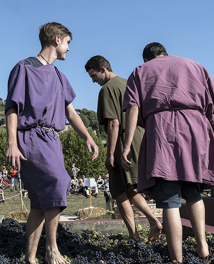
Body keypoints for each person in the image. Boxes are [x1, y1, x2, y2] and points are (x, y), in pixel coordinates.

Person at [121, 42, 214, 262]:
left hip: (161, 131)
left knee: (170, 200)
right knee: (193, 194)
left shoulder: (139, 71)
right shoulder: (195, 66)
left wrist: (127, 146)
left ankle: (177, 259)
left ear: (147, 59)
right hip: (195, 129)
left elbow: (133, 109)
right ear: (165, 52)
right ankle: (203, 247)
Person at [5, 22, 99, 264]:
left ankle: (30, 258)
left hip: (52, 139)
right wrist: (12, 143)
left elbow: (71, 112)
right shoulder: (24, 67)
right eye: (68, 42)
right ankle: (52, 249)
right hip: (31, 136)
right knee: (60, 182)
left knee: (39, 201)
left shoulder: (59, 75)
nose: (69, 48)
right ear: (57, 40)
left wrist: (87, 136)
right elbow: (12, 107)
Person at [85, 55, 163, 243]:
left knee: (117, 190)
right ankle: (153, 221)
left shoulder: (107, 89)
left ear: (103, 69)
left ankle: (134, 235)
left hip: (122, 140)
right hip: (140, 138)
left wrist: (110, 154)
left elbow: (114, 123)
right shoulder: (129, 83)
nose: (93, 81)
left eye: (94, 75)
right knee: (128, 187)